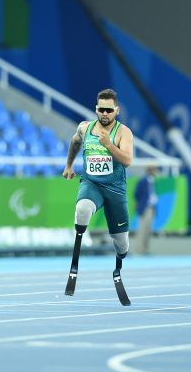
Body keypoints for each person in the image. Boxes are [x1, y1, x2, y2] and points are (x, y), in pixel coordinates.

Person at [62, 88, 134, 306]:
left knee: (122, 245)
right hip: (91, 184)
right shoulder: (85, 128)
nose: (104, 114)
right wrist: (68, 165)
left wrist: (108, 145)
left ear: (116, 110)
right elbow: (75, 142)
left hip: (115, 190)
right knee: (82, 209)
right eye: (101, 109)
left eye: (109, 110)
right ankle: (74, 265)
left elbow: (128, 160)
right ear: (96, 109)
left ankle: (118, 267)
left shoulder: (123, 133)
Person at [134, 165, 157, 255]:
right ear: (150, 171)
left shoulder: (153, 181)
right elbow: (136, 193)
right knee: (142, 229)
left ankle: (146, 249)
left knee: (148, 230)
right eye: (154, 170)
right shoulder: (143, 181)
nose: (156, 172)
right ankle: (139, 249)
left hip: (151, 207)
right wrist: (141, 203)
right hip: (145, 208)